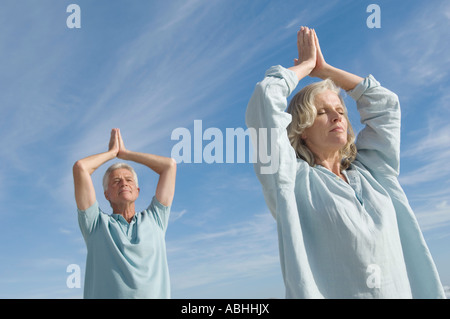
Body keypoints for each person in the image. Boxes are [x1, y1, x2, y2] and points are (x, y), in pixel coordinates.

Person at [245, 26, 445, 298]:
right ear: (302, 128)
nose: (337, 117)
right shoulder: (289, 181)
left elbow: (386, 104)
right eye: (322, 113)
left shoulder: (374, 171)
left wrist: (325, 71)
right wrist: (306, 66)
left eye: (340, 110)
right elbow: (264, 101)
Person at [72, 128, 177, 298]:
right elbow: (80, 168)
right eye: (116, 181)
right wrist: (112, 153)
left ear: (137, 190)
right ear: (107, 194)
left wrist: (126, 154)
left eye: (129, 180)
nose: (123, 183)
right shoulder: (95, 225)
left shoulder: (156, 218)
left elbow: (169, 166)